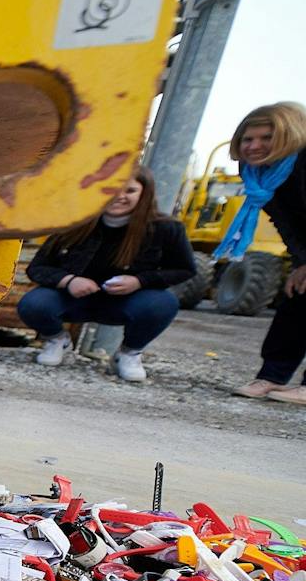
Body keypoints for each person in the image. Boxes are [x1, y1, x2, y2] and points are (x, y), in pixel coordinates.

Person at [17, 169, 194, 383]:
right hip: (73, 300)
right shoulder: (74, 222)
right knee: (33, 304)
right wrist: (69, 281)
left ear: (144, 193)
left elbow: (184, 269)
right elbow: (37, 268)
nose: (119, 196)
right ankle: (57, 340)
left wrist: (139, 281)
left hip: (128, 302)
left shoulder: (167, 228)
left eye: (129, 190)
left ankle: (129, 353)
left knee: (163, 303)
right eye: (111, 188)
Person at [223, 102, 306, 404]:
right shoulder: (258, 174)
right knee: (297, 297)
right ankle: (272, 377)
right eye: (248, 139)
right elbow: (285, 222)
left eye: (266, 137)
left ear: (289, 134)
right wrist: (301, 262)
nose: (254, 146)